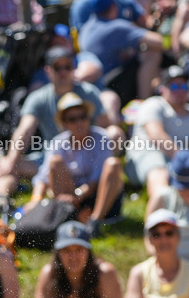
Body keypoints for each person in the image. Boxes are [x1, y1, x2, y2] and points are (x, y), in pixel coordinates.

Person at [0, 47, 119, 201]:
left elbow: (105, 127)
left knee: (114, 133)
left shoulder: (89, 92)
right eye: (58, 68)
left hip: (87, 156)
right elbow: (24, 131)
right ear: (48, 71)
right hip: (52, 159)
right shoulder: (39, 98)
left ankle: (100, 185)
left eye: (67, 67)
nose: (63, 72)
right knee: (9, 164)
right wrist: (10, 161)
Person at [27, 93, 124, 237]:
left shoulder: (102, 138)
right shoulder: (58, 142)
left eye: (82, 117)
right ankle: (67, 214)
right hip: (72, 197)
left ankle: (95, 221)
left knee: (113, 164)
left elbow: (97, 179)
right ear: (64, 123)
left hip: (98, 196)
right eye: (72, 119)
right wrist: (35, 200)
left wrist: (79, 194)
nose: (79, 122)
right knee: (55, 162)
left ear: (89, 118)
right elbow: (43, 177)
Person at [125, 66, 189, 200]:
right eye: (174, 87)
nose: (180, 91)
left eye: (184, 86)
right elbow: (156, 136)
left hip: (178, 163)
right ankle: (163, 213)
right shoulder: (153, 105)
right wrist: (185, 162)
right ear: (163, 89)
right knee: (158, 171)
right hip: (146, 157)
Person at [78, 0, 164, 103]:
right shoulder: (116, 27)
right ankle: (145, 102)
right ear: (113, 6)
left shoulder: (87, 27)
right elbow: (159, 41)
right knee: (151, 54)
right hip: (107, 87)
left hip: (95, 86)